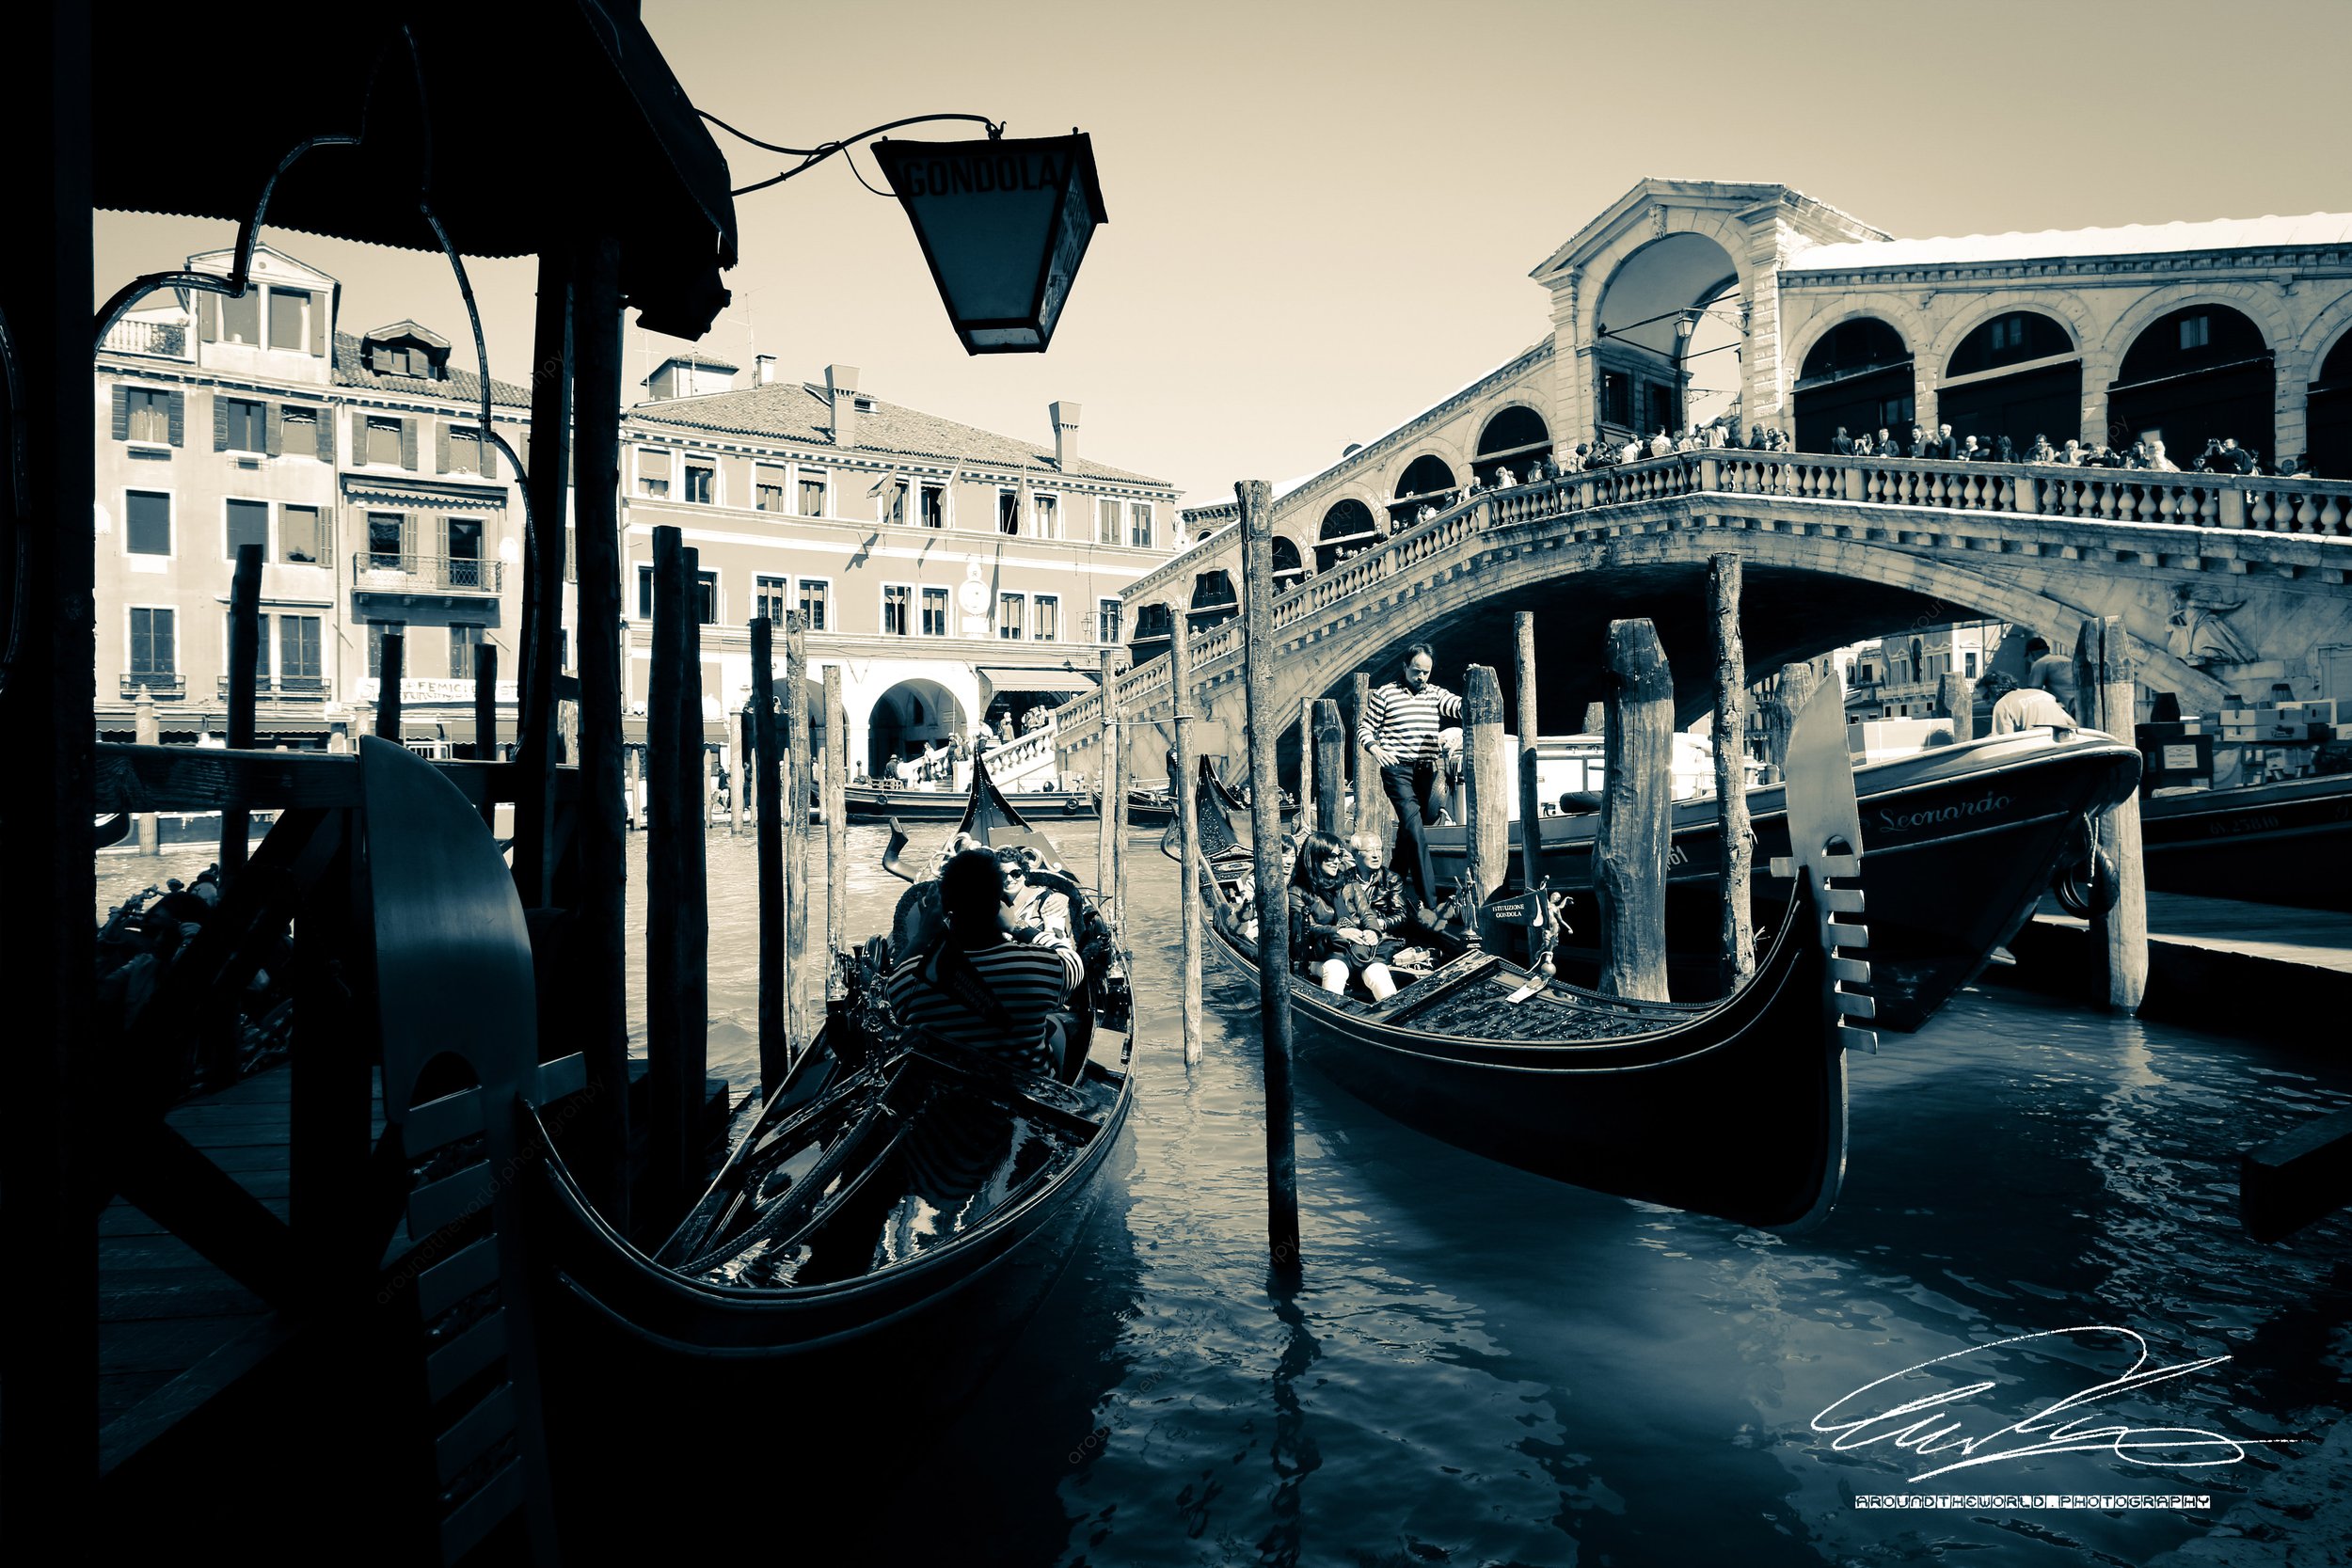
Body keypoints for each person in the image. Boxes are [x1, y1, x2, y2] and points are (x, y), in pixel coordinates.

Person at [886, 848, 1084, 1074]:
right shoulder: (1040, 966)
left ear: (945, 905)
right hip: (1025, 1094)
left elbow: (884, 997)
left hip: (950, 1094)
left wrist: (924, 934)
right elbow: (1072, 960)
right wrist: (1017, 927)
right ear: (998, 901)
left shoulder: (909, 977)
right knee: (1058, 1027)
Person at [1358, 643, 1463, 903]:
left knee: (1411, 829)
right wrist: (1376, 750)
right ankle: (1430, 902)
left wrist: (1471, 681)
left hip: (1427, 772)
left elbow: (1462, 708)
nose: (1421, 677)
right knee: (1416, 833)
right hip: (1397, 770)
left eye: (1426, 672)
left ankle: (1386, 890)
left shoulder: (1435, 694)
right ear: (1405, 667)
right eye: (1416, 671)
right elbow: (1364, 729)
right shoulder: (1385, 694)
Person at [1289, 830, 1396, 1001]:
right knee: (1336, 969)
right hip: (1322, 954)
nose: (1337, 862)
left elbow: (1367, 914)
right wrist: (1337, 931)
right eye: (1331, 857)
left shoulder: (1349, 883)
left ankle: (1395, 1017)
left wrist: (1372, 931)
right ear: (1316, 857)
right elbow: (1305, 928)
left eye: (1339, 856)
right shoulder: (1297, 891)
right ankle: (1332, 1017)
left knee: (1378, 972)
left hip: (1356, 950)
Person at [1986, 669, 2076, 736]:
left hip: (2034, 751)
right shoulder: (2043, 694)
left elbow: (2004, 741)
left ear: (1995, 691)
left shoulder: (2003, 704)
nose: (1987, 702)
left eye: (1986, 697)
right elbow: (2071, 723)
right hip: (2061, 743)